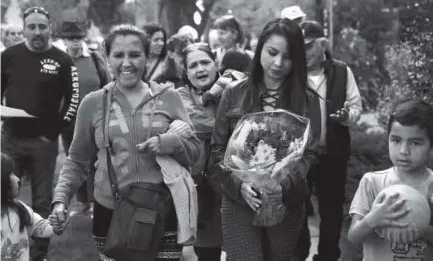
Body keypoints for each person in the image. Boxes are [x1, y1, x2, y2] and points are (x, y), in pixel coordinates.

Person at [51, 24, 200, 261]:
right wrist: (60, 200)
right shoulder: (93, 103)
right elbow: (77, 160)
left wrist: (168, 143)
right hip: (111, 214)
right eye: (118, 55)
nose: (127, 63)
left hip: (162, 211)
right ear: (107, 57)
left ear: (147, 57)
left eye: (135, 54)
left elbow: (194, 153)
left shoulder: (169, 97)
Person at [208, 18, 321, 260]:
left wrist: (283, 185)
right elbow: (218, 150)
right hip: (240, 201)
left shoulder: (307, 99)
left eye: (287, 57)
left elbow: (311, 153)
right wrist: (240, 186)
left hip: (285, 201)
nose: (278, 63)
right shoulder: (234, 92)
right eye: (272, 52)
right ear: (259, 49)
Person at [1, 6, 79, 261]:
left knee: (42, 200)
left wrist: (54, 132)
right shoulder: (9, 56)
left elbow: (73, 99)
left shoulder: (63, 59)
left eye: (42, 27)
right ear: (24, 29)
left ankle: (39, 254)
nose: (37, 32)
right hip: (11, 139)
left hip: (44, 143)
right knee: (3, 195)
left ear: (50, 29)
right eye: (32, 27)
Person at [294, 20, 363, 261]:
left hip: (333, 152)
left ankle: (327, 256)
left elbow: (356, 107)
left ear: (323, 44)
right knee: (297, 208)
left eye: (309, 46)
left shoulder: (342, 71)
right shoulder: (293, 74)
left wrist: (346, 117)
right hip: (300, 156)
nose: (304, 53)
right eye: (299, 47)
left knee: (332, 210)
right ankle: (299, 252)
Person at [348, 99, 433, 260]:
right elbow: (353, 237)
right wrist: (372, 220)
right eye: (396, 140)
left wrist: (420, 225)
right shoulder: (372, 182)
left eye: (415, 143)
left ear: (431, 146)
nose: (404, 151)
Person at [59, 20, 112, 211]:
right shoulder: (60, 60)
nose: (74, 42)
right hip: (69, 122)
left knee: (98, 160)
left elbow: (107, 84)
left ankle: (100, 199)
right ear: (64, 39)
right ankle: (84, 201)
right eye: (70, 38)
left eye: (78, 38)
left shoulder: (95, 58)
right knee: (76, 161)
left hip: (97, 119)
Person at [177, 42, 223, 261]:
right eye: (193, 65)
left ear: (216, 64)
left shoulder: (234, 88)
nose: (201, 69)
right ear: (186, 72)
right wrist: (212, 95)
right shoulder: (180, 95)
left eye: (205, 62)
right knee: (206, 248)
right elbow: (194, 121)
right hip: (199, 183)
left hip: (232, 180)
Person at [1, 153, 68, 261]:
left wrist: (54, 226)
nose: (18, 178)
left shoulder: (19, 209)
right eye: (10, 174)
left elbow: (39, 226)